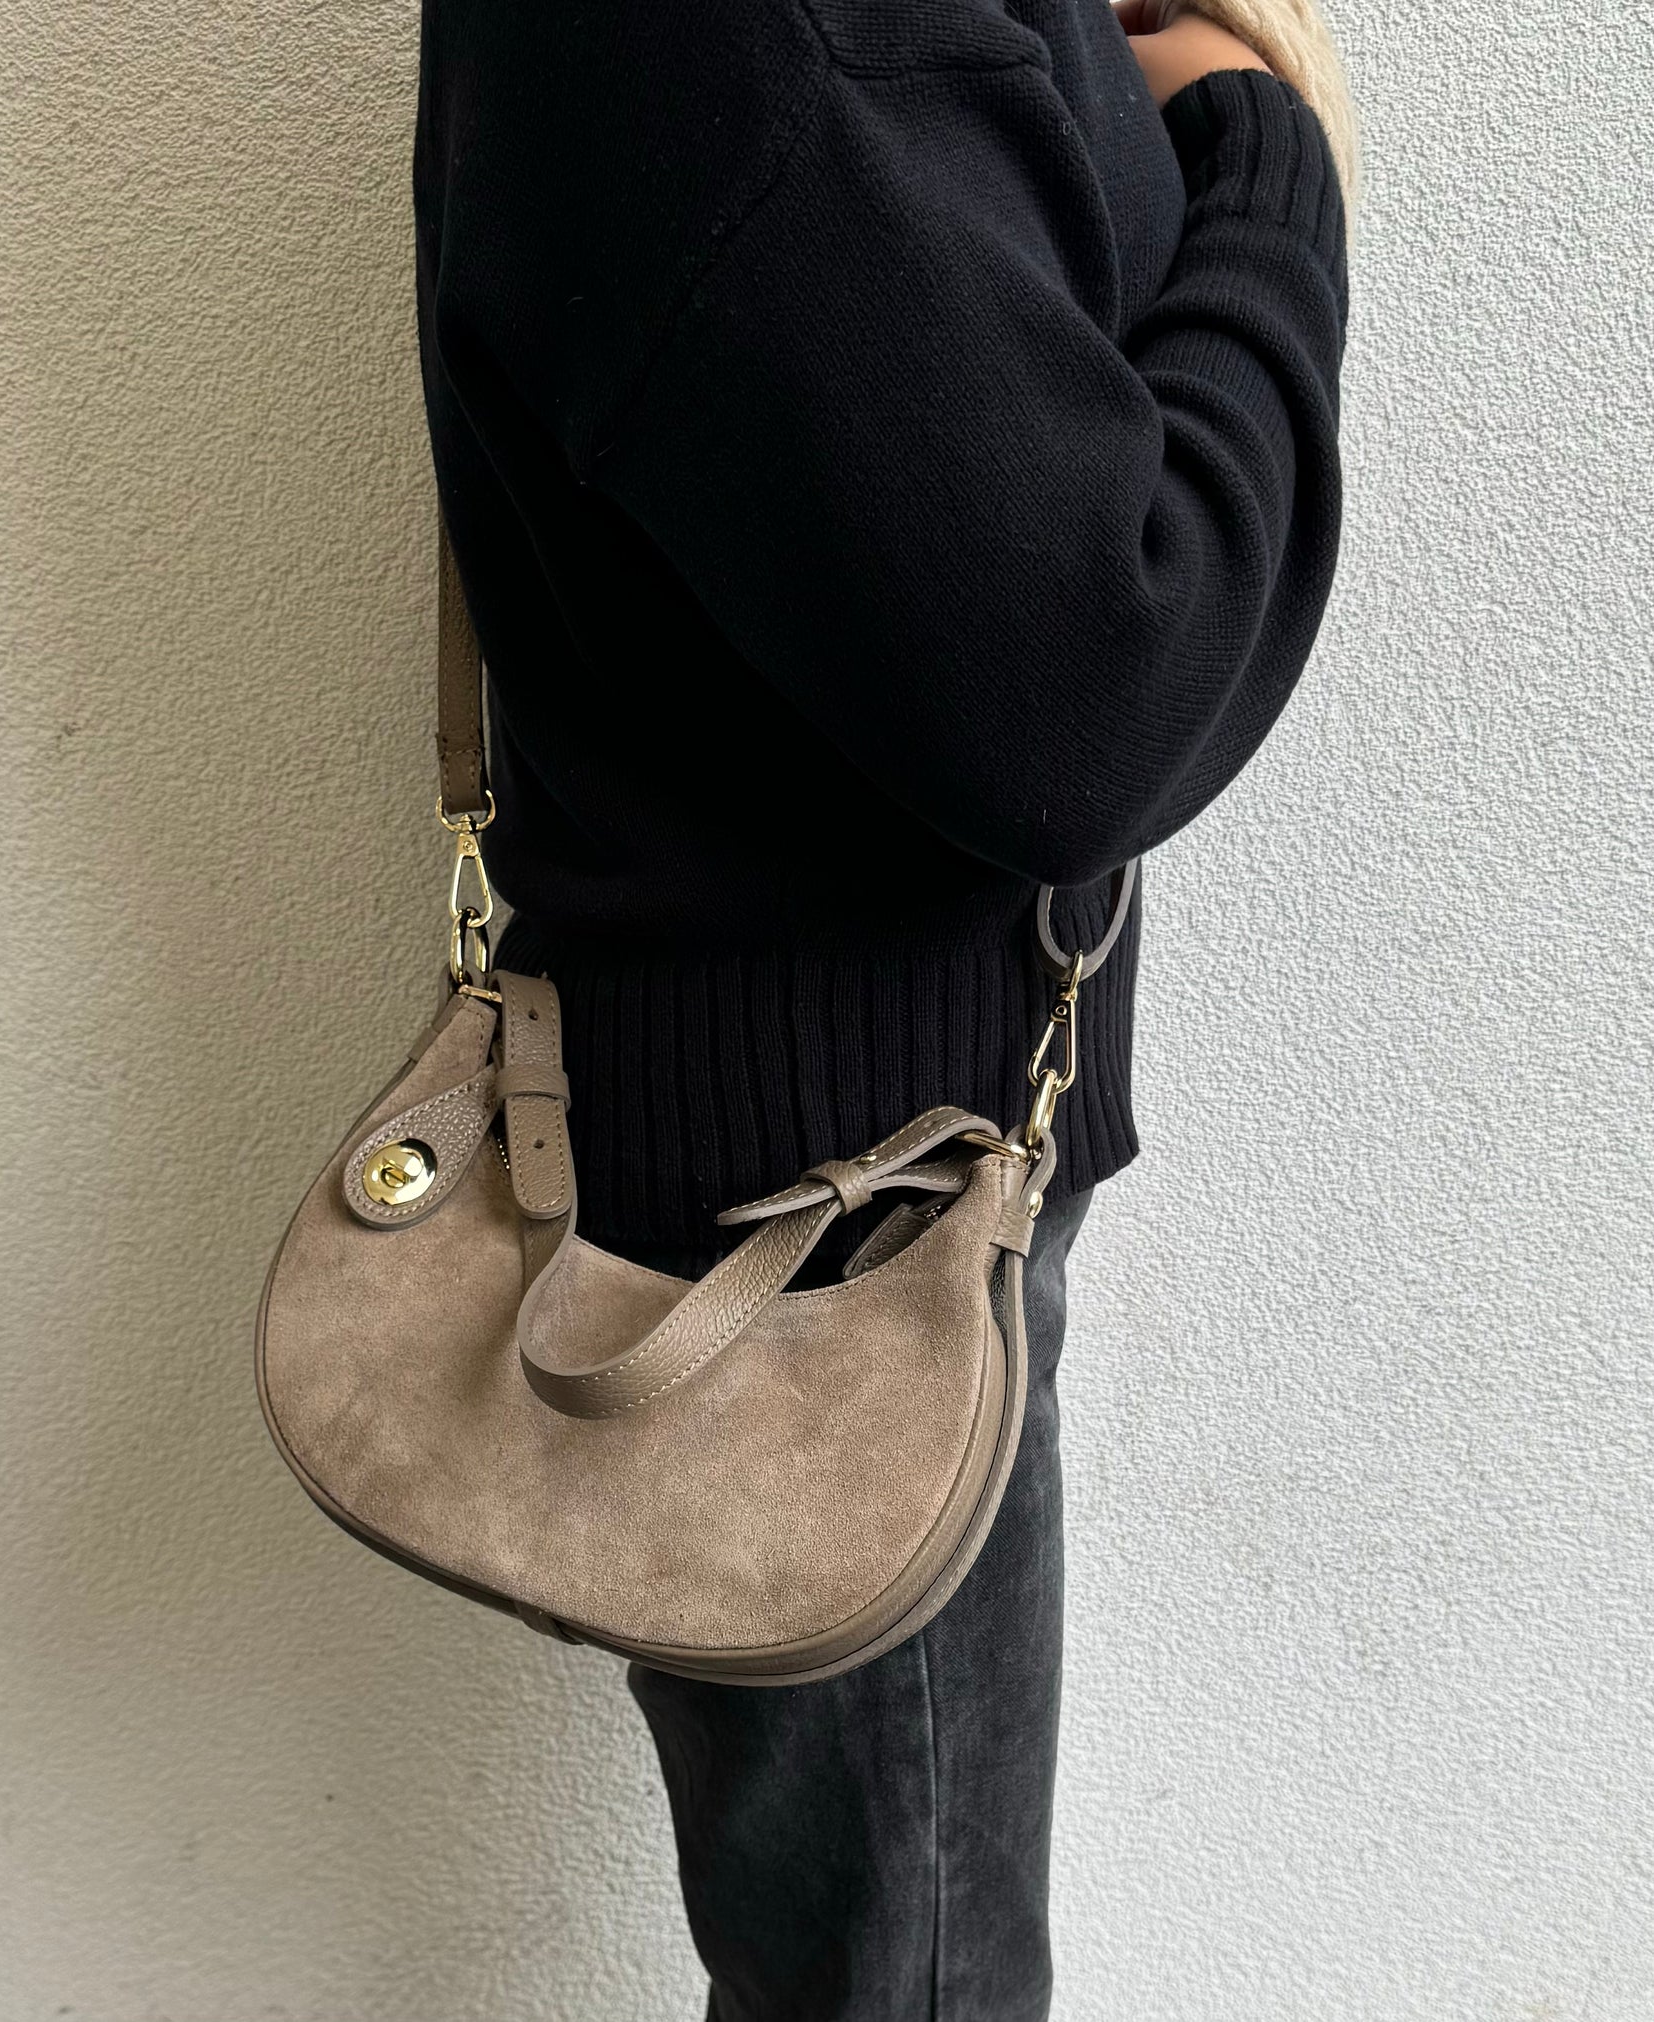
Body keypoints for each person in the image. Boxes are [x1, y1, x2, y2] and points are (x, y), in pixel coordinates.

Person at [412, 0, 1347, 2011]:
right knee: (904, 1981)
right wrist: (1264, 150)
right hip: (822, 1247)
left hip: (868, 1171)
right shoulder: (755, 47)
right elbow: (1098, 674)